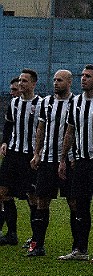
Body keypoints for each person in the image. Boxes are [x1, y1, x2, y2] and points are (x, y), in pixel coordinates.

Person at [59, 64, 93, 262]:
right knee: (79, 205)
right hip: (80, 161)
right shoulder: (75, 102)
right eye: (82, 75)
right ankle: (80, 249)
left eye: (88, 76)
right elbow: (70, 131)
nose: (83, 79)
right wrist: (64, 158)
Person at [27, 69, 72, 256]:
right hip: (47, 159)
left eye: (60, 80)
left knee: (74, 202)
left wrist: (66, 157)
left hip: (67, 161)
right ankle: (38, 245)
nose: (55, 83)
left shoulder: (75, 103)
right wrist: (37, 153)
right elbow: (41, 128)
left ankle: (78, 247)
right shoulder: (46, 102)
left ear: (69, 82)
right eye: (54, 80)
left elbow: (72, 131)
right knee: (41, 201)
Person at [0, 69, 39, 246]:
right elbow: (8, 125)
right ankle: (12, 233)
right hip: (13, 153)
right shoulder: (14, 103)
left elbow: (43, 129)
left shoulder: (41, 104)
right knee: (3, 192)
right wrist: (4, 142)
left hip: (29, 155)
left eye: (25, 81)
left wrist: (39, 152)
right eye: (20, 81)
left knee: (32, 196)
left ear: (33, 84)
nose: (21, 84)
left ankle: (36, 236)